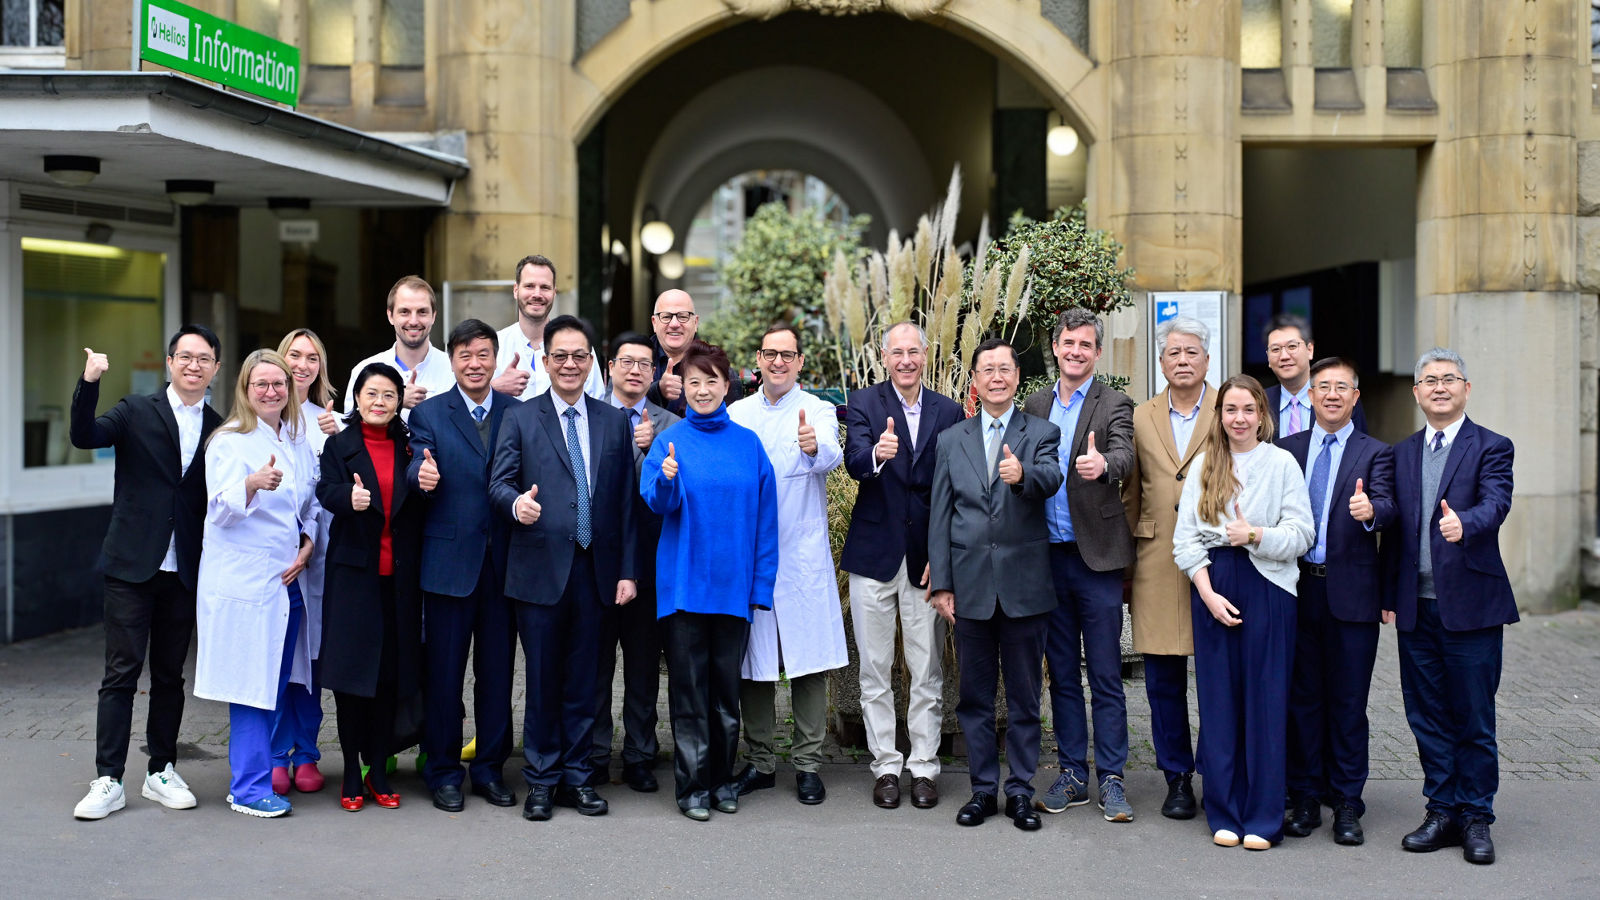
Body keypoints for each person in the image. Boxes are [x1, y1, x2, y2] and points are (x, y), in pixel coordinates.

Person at [69, 327, 223, 820]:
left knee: (170, 676)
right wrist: (89, 381)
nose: (193, 365)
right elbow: (84, 435)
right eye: (185, 357)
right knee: (120, 673)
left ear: (216, 369)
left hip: (184, 569)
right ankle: (108, 778)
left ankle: (161, 770)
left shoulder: (221, 428)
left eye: (204, 359)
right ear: (169, 363)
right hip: (132, 564)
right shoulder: (136, 410)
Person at [490, 315, 638, 822]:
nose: (570, 364)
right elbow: (499, 482)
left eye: (579, 356)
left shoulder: (614, 420)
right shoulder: (520, 416)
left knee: (586, 682)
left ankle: (579, 777)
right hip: (538, 570)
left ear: (591, 361)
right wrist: (516, 505)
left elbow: (624, 506)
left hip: (597, 569)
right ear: (545, 361)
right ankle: (542, 780)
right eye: (560, 356)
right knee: (543, 681)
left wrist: (627, 571)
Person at [1172, 374, 1315, 850]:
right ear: (1221, 416)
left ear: (1262, 415)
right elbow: (1185, 539)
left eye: (1248, 410)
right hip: (1214, 582)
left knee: (1266, 702)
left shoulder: (1282, 464)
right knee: (1219, 703)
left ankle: (1263, 816)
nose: (1239, 418)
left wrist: (1255, 535)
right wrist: (1208, 595)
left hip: (1270, 587)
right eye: (1230, 409)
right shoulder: (1204, 466)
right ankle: (1225, 811)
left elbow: (1302, 534)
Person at [1384, 348, 1515, 866]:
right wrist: (1373, 513)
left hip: (1471, 606)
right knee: (1427, 716)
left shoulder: (1492, 446)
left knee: (1473, 717)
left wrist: (1467, 524)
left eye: (1449, 379)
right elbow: (1394, 517)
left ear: (1466, 388)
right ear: (1416, 392)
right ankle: (1441, 809)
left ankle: (1477, 816)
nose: (1439, 387)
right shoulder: (1402, 452)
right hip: (1415, 606)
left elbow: (1496, 502)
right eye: (1428, 380)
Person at [928, 338, 1064, 832]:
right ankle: (983, 790)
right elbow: (940, 515)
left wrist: (1022, 473)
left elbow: (1052, 476)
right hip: (969, 588)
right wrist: (942, 584)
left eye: (1005, 369)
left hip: (1025, 586)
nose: (997, 377)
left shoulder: (1041, 431)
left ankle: (1021, 791)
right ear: (976, 381)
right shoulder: (951, 439)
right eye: (987, 370)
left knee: (1026, 698)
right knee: (974, 697)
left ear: (1016, 377)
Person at [640, 340, 779, 820]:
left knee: (725, 697)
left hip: (733, 590)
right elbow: (656, 501)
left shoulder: (748, 445)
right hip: (682, 589)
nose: (701, 390)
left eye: (711, 381)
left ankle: (722, 780)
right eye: (693, 382)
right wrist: (668, 478)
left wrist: (761, 587)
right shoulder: (670, 440)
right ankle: (692, 788)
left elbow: (766, 524)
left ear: (726, 386)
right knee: (689, 695)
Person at [840, 321, 965, 811]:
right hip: (873, 555)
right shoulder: (865, 405)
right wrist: (876, 453)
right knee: (874, 668)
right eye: (898, 352)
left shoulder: (949, 410)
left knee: (926, 667)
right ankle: (886, 766)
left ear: (926, 355)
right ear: (884, 357)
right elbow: (852, 461)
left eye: (914, 352)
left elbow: (952, 485)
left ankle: (925, 768)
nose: (907, 360)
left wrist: (944, 552)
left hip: (925, 559)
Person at [1021, 308, 1137, 822]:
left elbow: (1124, 454)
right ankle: (1072, 773)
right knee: (1063, 675)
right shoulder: (1036, 402)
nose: (1075, 351)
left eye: (1085, 345)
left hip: (1098, 559)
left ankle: (1112, 778)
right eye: (1068, 343)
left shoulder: (1114, 403)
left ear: (1097, 351)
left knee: (1107, 675)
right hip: (1048, 558)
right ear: (1056, 345)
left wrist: (1102, 466)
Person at [193, 350, 319, 818]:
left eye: (279, 384)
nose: (271, 392)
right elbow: (219, 510)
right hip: (247, 585)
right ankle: (248, 788)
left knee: (273, 685)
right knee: (251, 687)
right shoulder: (228, 441)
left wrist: (308, 543)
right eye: (261, 384)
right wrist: (251, 483)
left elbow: (308, 501)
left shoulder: (292, 438)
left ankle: (257, 777)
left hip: (287, 582)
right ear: (245, 389)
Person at [727, 325, 849, 805]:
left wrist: (813, 447)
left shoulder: (816, 410)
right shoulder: (737, 412)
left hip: (800, 555)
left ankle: (807, 764)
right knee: (753, 662)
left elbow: (832, 453)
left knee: (807, 662)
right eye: (770, 354)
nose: (778, 362)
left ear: (800, 362)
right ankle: (759, 761)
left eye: (788, 355)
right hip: (750, 554)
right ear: (758, 359)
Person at [1278, 357, 1396, 846]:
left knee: (1348, 703)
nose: (1331, 394)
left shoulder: (1377, 453)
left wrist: (1372, 512)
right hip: (1296, 588)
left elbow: (1392, 508)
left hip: (1352, 594)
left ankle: (1347, 803)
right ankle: (1304, 797)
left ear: (1355, 397)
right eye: (1322, 386)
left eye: (1341, 387)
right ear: (1310, 395)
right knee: (1302, 699)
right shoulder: (1287, 449)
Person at [408, 319, 523, 812]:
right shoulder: (430, 413)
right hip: (448, 563)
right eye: (464, 355)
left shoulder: (520, 413)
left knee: (497, 675)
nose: (474, 364)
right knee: (444, 673)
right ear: (451, 360)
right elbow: (414, 461)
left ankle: (490, 769)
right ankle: (443, 770)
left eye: (483, 354)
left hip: (504, 564)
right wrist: (421, 476)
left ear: (495, 358)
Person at [317, 362, 426, 812]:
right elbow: (323, 491)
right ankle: (350, 773)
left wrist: (427, 485)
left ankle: (379, 770)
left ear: (399, 401)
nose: (378, 402)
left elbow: (420, 502)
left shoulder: (409, 446)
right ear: (356, 399)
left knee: (388, 679)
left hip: (398, 580)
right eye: (370, 394)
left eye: (387, 395)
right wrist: (349, 499)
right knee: (352, 682)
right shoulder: (338, 445)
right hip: (353, 579)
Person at [1123, 315, 1212, 820]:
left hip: (1217, 559)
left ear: (1206, 359)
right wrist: (1125, 568)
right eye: (1173, 353)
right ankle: (1176, 777)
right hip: (1155, 559)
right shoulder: (1140, 416)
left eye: (1191, 352)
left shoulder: (1232, 408)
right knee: (1162, 681)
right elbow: (1132, 493)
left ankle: (1218, 771)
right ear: (1161, 362)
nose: (1182, 360)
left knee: (1218, 676)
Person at [590, 332, 680, 793]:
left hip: (650, 562)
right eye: (626, 362)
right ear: (609, 366)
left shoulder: (670, 424)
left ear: (655, 372)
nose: (635, 371)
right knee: (596, 664)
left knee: (643, 666)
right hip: (598, 562)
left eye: (645, 364)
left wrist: (647, 449)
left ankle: (641, 754)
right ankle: (595, 752)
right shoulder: (589, 415)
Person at [269, 327, 340, 796]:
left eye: (311, 357)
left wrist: (339, 438)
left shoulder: (328, 421)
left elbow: (328, 493)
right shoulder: (264, 420)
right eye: (293, 355)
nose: (301, 364)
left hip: (318, 557)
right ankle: (275, 754)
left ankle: (308, 752)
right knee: (276, 655)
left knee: (311, 658)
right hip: (275, 558)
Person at [490, 254, 606, 401]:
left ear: (554, 293)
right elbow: (460, 405)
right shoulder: (494, 345)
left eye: (545, 287)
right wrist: (494, 388)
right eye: (529, 286)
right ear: (515, 290)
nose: (537, 294)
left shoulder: (579, 346)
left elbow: (596, 406)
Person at [344, 275, 455, 422]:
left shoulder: (454, 370)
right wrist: (397, 402)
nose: (414, 321)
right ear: (390, 316)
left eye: (422, 312)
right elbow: (351, 433)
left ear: (433, 316)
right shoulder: (364, 370)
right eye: (405, 312)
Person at [1262, 313, 1365, 438]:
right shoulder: (1260, 402)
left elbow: (1360, 451)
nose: (1284, 356)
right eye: (1275, 349)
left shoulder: (1341, 397)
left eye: (1292, 346)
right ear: (1268, 357)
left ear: (1309, 350)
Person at [644, 289, 744, 416]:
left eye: (683, 316)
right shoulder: (635, 360)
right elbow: (616, 407)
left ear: (695, 322)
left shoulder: (717, 368)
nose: (674, 324)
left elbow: (731, 423)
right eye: (666, 317)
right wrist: (657, 391)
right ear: (654, 322)